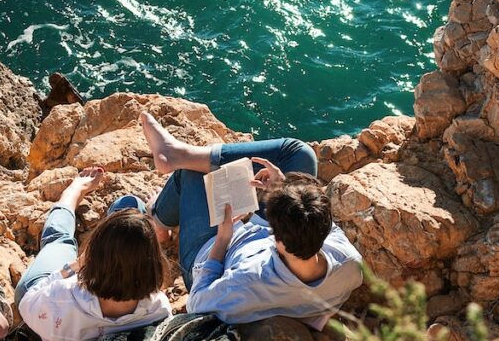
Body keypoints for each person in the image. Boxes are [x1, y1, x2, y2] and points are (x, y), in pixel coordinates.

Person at [140, 113, 362, 328]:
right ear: (324, 229)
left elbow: (196, 302)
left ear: (277, 238)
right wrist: (281, 189)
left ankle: (159, 221)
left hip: (211, 252)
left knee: (192, 173)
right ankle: (177, 156)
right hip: (260, 240)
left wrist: (222, 239)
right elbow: (311, 221)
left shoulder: (247, 281)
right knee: (301, 154)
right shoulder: (349, 262)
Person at [13, 167, 171, 341]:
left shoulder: (63, 295)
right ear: (153, 264)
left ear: (93, 257)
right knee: (133, 216)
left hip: (40, 303)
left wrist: (74, 266)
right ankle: (130, 229)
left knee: (59, 239)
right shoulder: (158, 308)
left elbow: (28, 301)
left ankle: (73, 194)